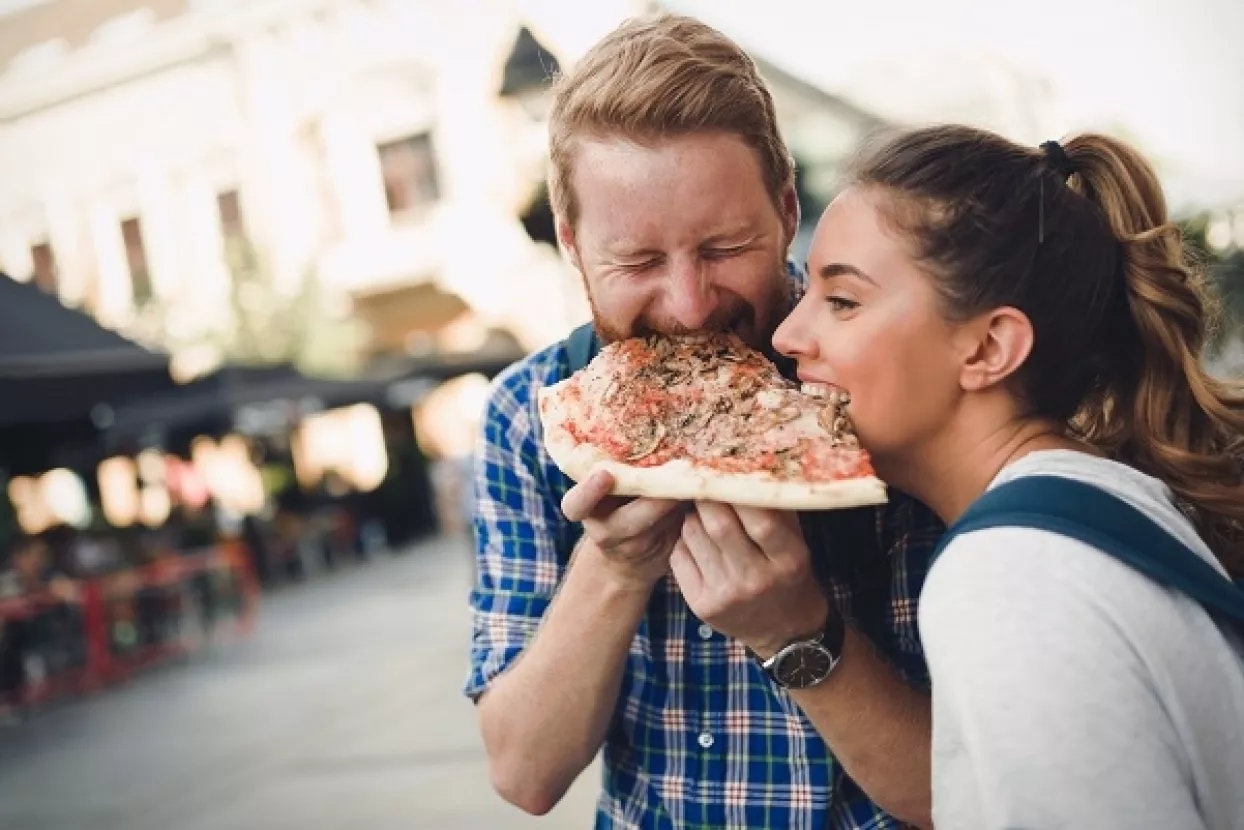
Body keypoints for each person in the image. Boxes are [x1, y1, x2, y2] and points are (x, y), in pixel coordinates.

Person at [466, 13, 944, 829]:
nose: (689, 307)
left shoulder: (883, 373)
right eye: (639, 261)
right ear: (573, 246)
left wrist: (797, 631)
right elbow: (526, 773)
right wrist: (614, 566)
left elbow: (966, 791)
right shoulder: (528, 411)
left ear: (786, 209)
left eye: (724, 248)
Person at [772, 124, 1244, 828]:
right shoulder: (1098, 504)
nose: (786, 336)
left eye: (842, 300)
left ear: (989, 349)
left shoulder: (1010, 576)